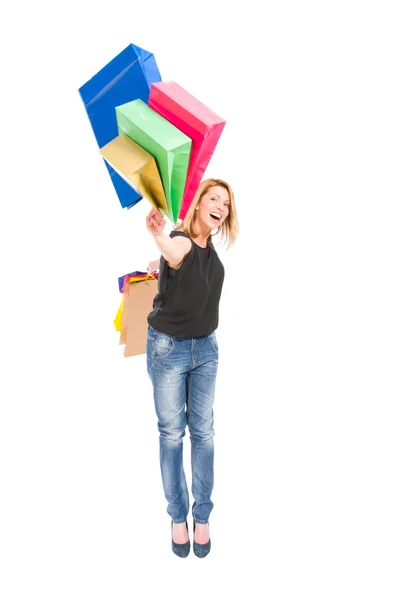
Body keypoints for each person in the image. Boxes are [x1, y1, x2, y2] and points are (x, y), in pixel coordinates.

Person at [145, 178, 239, 558]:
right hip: (170, 351)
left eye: (227, 204)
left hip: (207, 351)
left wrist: (160, 267)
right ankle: (177, 517)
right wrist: (158, 239)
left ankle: (203, 516)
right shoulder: (181, 236)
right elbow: (174, 249)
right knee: (172, 434)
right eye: (214, 198)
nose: (221, 206)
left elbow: (181, 267)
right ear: (198, 202)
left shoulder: (207, 245)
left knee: (204, 434)